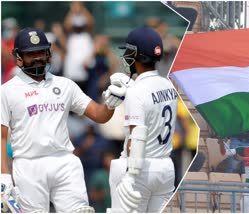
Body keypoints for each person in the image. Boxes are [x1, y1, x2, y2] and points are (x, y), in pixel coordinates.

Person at [1, 27, 127, 212]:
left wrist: (111, 103)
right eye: (31, 54)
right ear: (19, 57)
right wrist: (3, 177)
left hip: (65, 162)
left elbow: (99, 115)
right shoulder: (7, 90)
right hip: (28, 165)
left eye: (41, 52)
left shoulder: (65, 85)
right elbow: (2, 137)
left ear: (48, 53)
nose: (37, 57)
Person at [108, 26, 178, 213]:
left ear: (135, 55)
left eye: (129, 53)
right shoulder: (168, 85)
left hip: (139, 169)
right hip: (165, 168)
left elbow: (136, 136)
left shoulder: (136, 92)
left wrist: (130, 177)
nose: (126, 58)